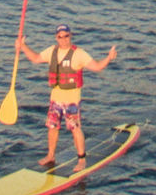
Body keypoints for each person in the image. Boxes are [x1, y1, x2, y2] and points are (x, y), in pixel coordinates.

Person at [18, 23, 117, 169]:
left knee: (75, 128)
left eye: (66, 36)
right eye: (60, 37)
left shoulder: (79, 54)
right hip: (55, 99)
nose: (63, 39)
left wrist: (109, 58)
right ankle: (51, 155)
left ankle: (82, 160)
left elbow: (97, 67)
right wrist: (23, 46)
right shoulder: (52, 51)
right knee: (52, 127)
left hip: (71, 101)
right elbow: (36, 58)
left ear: (71, 36)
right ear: (56, 38)